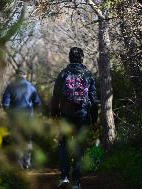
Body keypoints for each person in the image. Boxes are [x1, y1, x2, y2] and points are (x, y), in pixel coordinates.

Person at [51, 47, 98, 189]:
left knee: (64, 144)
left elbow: (56, 96)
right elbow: (93, 99)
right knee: (79, 147)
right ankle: (76, 182)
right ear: (82, 58)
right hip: (82, 114)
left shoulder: (63, 74)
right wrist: (94, 117)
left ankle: (64, 177)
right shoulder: (88, 75)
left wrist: (54, 114)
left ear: (69, 58)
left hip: (66, 114)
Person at [2, 67, 41, 169]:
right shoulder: (31, 87)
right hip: (28, 119)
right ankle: (27, 164)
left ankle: (18, 165)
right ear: (25, 75)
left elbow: (5, 104)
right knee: (27, 140)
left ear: (16, 75)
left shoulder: (10, 87)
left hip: (15, 119)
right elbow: (37, 103)